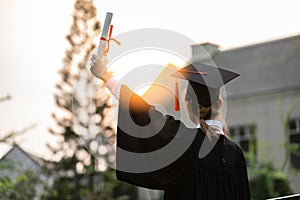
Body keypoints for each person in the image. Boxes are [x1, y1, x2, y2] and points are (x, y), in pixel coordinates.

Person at [90, 54, 251, 200]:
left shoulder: (184, 142)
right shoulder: (235, 154)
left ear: (188, 104)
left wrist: (105, 75)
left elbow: (143, 111)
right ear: (219, 103)